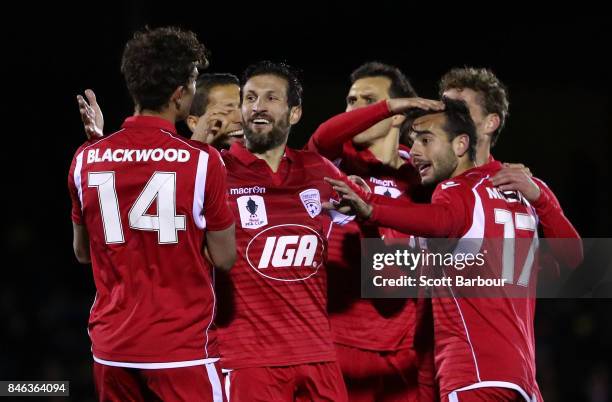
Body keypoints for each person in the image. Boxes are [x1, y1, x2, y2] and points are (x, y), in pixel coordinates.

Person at [325, 96, 582, 402]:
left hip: (473, 377)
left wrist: (370, 207)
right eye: (413, 141)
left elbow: (442, 220)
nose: (415, 152)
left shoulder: (456, 191)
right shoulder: (523, 192)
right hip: (522, 381)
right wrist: (542, 198)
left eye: (426, 140)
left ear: (463, 143)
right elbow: (573, 258)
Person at [68, 26, 235, 402]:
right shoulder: (203, 161)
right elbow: (224, 258)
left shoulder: (86, 159)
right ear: (178, 94)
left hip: (112, 352)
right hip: (182, 353)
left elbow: (83, 252)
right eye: (193, 84)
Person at [306, 61, 438, 402]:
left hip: (404, 351)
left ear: (398, 116)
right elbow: (322, 137)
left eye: (368, 100)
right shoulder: (330, 166)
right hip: (337, 347)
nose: (354, 109)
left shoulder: (422, 175)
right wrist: (385, 106)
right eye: (350, 101)